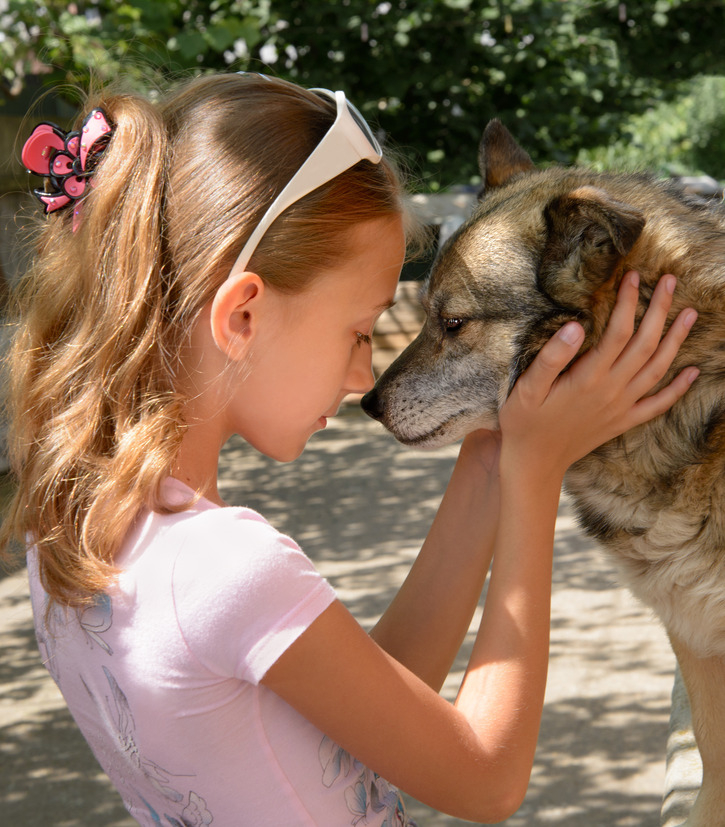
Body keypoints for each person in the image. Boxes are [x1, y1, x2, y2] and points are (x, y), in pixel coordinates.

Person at [2, 72, 699, 826]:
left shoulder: (72, 532)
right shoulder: (229, 565)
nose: (365, 376)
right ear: (241, 316)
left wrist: (493, 456)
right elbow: (485, 778)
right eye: (360, 331)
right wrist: (534, 476)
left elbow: (369, 703)